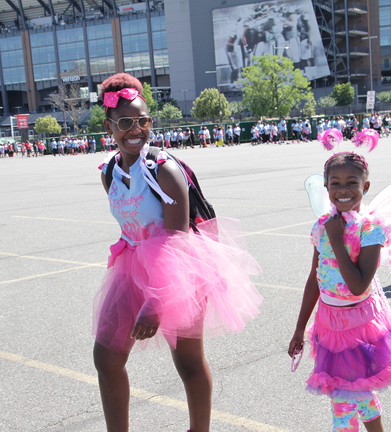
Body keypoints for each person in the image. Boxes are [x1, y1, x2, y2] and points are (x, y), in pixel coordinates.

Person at [94, 73, 263, 432]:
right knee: (105, 357)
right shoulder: (109, 172)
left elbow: (177, 239)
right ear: (109, 127)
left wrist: (155, 303)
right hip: (132, 266)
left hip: (179, 271)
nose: (136, 128)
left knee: (187, 361)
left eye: (143, 120)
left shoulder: (163, 169)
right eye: (125, 122)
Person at [288, 151, 391, 432]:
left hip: (359, 325)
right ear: (326, 187)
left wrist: (336, 239)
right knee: (357, 391)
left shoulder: (370, 230)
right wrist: (300, 328)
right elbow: (315, 277)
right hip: (329, 323)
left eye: (352, 182)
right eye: (335, 183)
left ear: (365, 186)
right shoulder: (322, 226)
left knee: (343, 398)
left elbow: (359, 285)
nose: (343, 190)